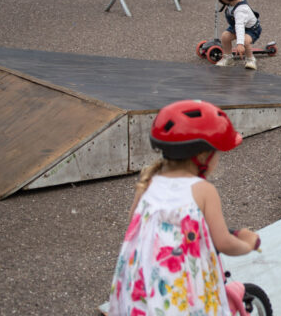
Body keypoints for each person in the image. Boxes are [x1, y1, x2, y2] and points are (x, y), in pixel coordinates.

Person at [107, 99, 261, 316]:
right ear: (202, 156)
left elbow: (135, 225)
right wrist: (249, 243)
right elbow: (224, 243)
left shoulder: (148, 182)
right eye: (216, 152)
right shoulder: (203, 190)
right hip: (181, 293)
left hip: (143, 286)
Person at [207, 0, 262, 70]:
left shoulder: (241, 10)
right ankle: (228, 58)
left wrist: (239, 44)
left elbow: (240, 26)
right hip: (236, 27)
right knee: (225, 37)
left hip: (251, 29)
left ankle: (250, 59)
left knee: (245, 41)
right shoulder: (233, 0)